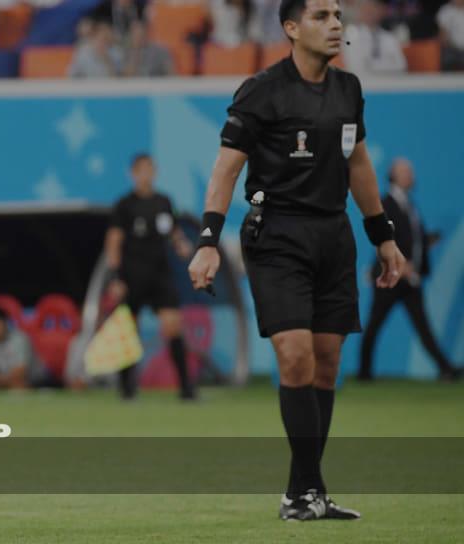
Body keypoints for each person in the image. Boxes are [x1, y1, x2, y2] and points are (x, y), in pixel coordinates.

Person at [187, 0, 405, 521]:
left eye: (338, 15)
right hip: (277, 234)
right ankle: (310, 491)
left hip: (334, 235)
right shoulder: (262, 90)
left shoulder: (349, 90)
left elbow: (359, 164)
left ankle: (301, 494)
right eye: (321, 16)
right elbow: (225, 169)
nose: (335, 25)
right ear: (290, 28)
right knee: (296, 356)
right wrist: (207, 240)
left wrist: (383, 236)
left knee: (326, 363)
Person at [358, 158, 462, 381]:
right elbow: (382, 237)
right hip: (389, 275)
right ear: (393, 175)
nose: (411, 176)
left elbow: (410, 238)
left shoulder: (410, 205)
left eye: (411, 172)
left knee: (423, 326)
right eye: (405, 172)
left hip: (409, 279)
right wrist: (398, 264)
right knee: (374, 325)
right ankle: (364, 373)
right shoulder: (384, 203)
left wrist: (425, 243)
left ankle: (446, 368)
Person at [105, 153, 195, 400]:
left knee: (173, 325)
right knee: (128, 330)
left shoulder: (164, 202)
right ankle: (126, 388)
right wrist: (115, 278)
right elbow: (113, 242)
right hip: (131, 276)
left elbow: (174, 232)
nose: (146, 175)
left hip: (160, 275)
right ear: (132, 174)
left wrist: (182, 245)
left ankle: (186, 388)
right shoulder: (124, 205)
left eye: (150, 169)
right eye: (141, 170)